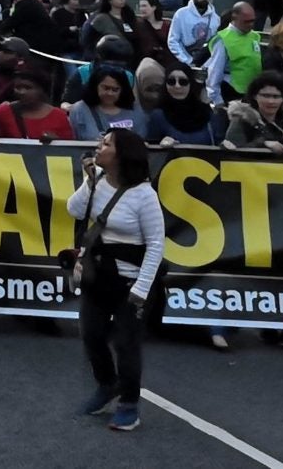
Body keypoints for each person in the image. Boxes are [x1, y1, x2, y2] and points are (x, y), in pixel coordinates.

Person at [71, 128, 165, 433]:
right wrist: (89, 181)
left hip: (130, 283)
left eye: (106, 144)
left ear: (122, 154)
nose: (99, 147)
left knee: (126, 344)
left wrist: (141, 289)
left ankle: (129, 404)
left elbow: (155, 245)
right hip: (98, 277)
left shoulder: (144, 196)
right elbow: (73, 209)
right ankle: (106, 384)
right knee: (91, 335)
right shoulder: (97, 182)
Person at [0, 62, 75, 141]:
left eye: (28, 88)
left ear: (42, 90)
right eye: (18, 87)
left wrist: (55, 142)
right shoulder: (0, 114)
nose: (22, 92)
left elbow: (69, 151)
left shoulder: (59, 117)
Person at [141, 67, 219, 146]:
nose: (177, 86)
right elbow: (152, 149)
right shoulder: (158, 115)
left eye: (183, 82)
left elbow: (218, 143)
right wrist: (161, 144)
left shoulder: (206, 113)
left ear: (191, 84)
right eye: (171, 81)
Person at [66, 66, 138, 142]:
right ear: (95, 86)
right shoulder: (79, 110)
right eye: (106, 88)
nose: (110, 93)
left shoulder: (136, 111)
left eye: (115, 90)